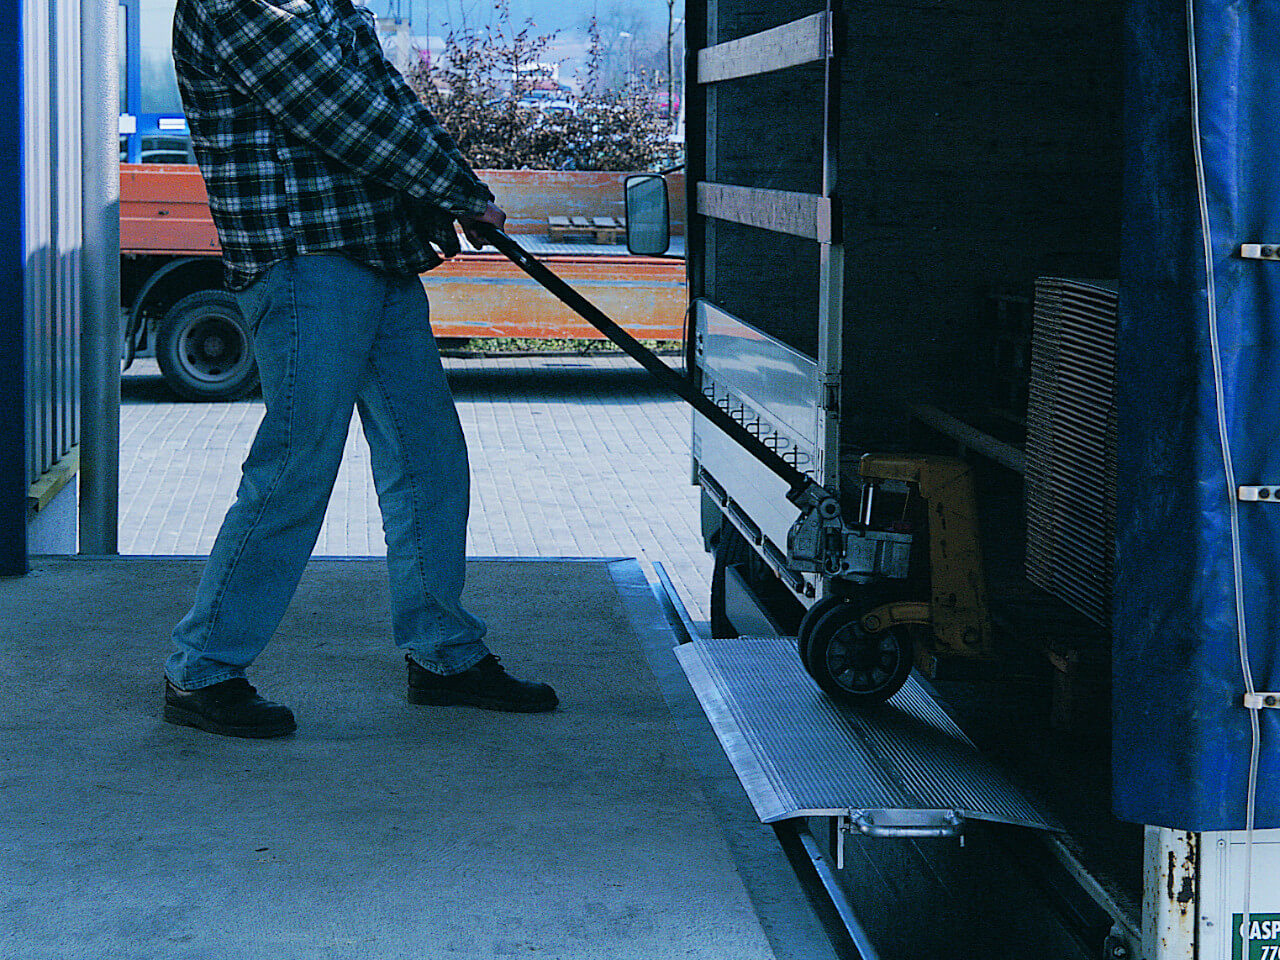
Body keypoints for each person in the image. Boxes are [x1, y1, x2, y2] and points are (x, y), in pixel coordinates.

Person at [161, 0, 558, 738]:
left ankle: (443, 653)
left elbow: (388, 94)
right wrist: (454, 188)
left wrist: (457, 185)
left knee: (429, 457)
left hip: (375, 251)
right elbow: (341, 112)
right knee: (296, 466)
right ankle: (202, 669)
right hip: (304, 260)